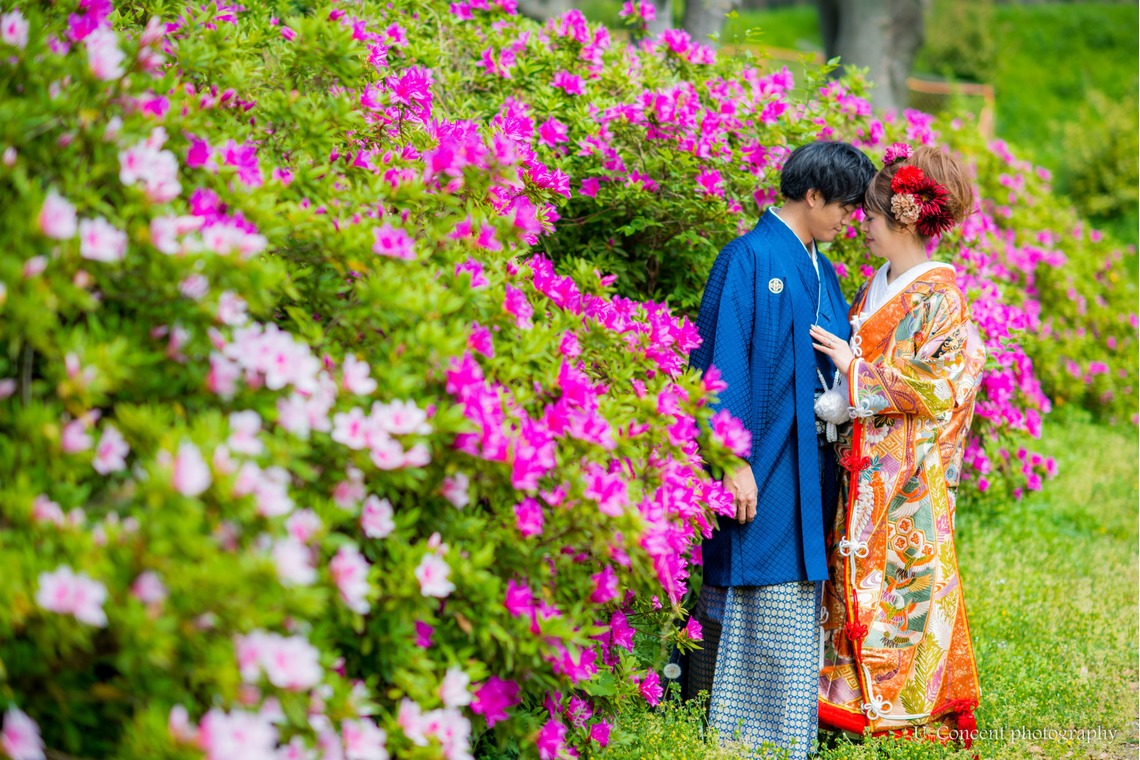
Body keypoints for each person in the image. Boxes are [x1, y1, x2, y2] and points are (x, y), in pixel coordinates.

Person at [686, 140, 875, 758]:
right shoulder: (746, 257)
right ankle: (738, 737)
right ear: (813, 195)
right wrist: (731, 458)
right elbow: (719, 367)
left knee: (795, 592)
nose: (849, 219)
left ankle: (782, 738)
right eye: (843, 206)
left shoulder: (822, 269)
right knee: (756, 583)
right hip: (764, 461)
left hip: (813, 463)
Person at [809, 144, 986, 747]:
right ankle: (849, 701)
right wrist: (843, 395)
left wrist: (855, 372)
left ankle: (904, 708)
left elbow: (941, 385)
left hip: (908, 470)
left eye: (873, 217)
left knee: (903, 586)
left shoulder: (941, 297)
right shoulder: (877, 286)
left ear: (905, 219)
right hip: (861, 463)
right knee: (856, 580)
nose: (864, 226)